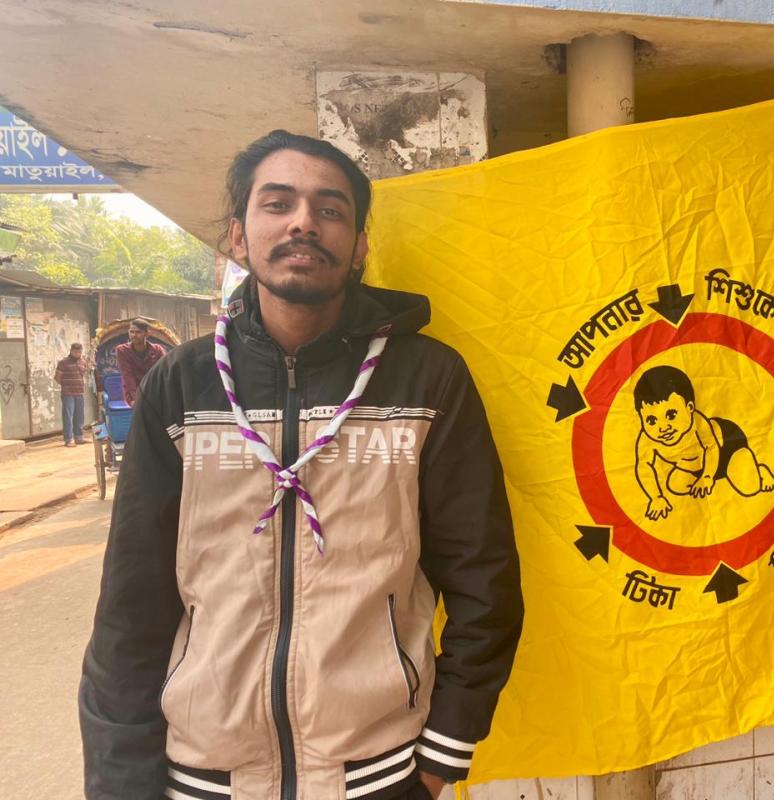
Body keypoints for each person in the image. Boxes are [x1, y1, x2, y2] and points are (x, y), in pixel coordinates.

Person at [79, 130, 524, 800]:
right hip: (204, 775)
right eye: (278, 203)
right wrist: (121, 782)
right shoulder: (181, 385)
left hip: (378, 774)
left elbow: (484, 580)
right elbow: (130, 602)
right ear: (238, 236)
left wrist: (439, 759)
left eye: (330, 209)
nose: (304, 223)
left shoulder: (428, 378)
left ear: (360, 245)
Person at [633, 365, 774, 521]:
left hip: (727, 448)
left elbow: (711, 448)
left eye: (671, 415)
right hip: (695, 464)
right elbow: (644, 466)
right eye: (651, 420)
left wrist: (707, 477)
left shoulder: (699, 422)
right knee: (675, 485)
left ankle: (760, 470)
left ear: (689, 408)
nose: (663, 427)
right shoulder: (647, 439)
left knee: (751, 488)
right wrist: (656, 498)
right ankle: (715, 478)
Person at [115, 317, 166, 405]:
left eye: (138, 332)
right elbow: (128, 375)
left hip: (154, 391)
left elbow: (164, 372)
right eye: (131, 332)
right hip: (134, 392)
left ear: (147, 333)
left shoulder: (157, 350)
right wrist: (136, 399)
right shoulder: (122, 350)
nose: (134, 335)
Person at [53, 342, 87, 447]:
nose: (78, 354)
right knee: (68, 416)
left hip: (80, 392)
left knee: (79, 416)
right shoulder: (63, 362)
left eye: (80, 352)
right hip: (68, 393)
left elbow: (83, 375)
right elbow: (57, 377)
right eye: (76, 352)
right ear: (71, 351)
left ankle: (79, 437)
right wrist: (66, 386)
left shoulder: (82, 362)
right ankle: (68, 439)